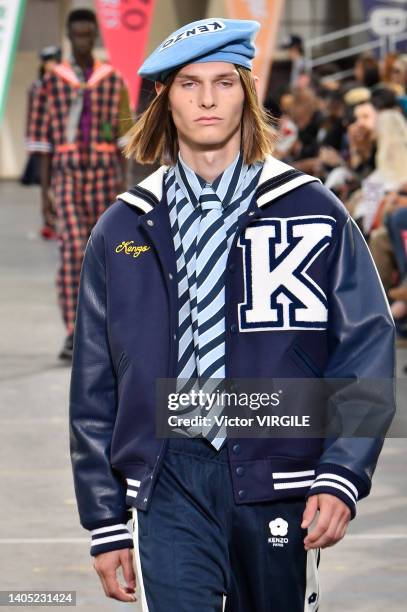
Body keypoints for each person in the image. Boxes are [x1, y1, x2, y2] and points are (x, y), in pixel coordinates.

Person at [69, 18, 396, 611]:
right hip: (167, 475)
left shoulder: (312, 209)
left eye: (223, 82)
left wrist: (343, 470)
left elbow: (367, 344)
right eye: (190, 84)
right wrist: (105, 518)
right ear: (165, 99)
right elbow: (95, 384)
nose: (207, 99)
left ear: (246, 93)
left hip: (278, 468)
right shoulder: (122, 228)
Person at [27, 8, 132, 361]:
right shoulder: (50, 83)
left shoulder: (112, 80)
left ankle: (103, 326)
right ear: (70, 37)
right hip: (68, 174)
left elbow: (122, 140)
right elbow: (43, 144)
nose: (84, 40)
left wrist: (128, 188)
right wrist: (45, 196)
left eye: (90, 34)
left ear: (96, 37)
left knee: (104, 252)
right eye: (78, 35)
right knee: (73, 249)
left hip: (105, 174)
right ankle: (74, 330)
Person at [22, 45, 61, 239]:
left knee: (60, 181)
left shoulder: (64, 83)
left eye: (54, 60)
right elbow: (32, 115)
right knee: (45, 183)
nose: (51, 65)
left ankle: (58, 220)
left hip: (63, 141)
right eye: (48, 61)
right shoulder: (37, 86)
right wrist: (30, 140)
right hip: (44, 141)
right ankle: (48, 221)